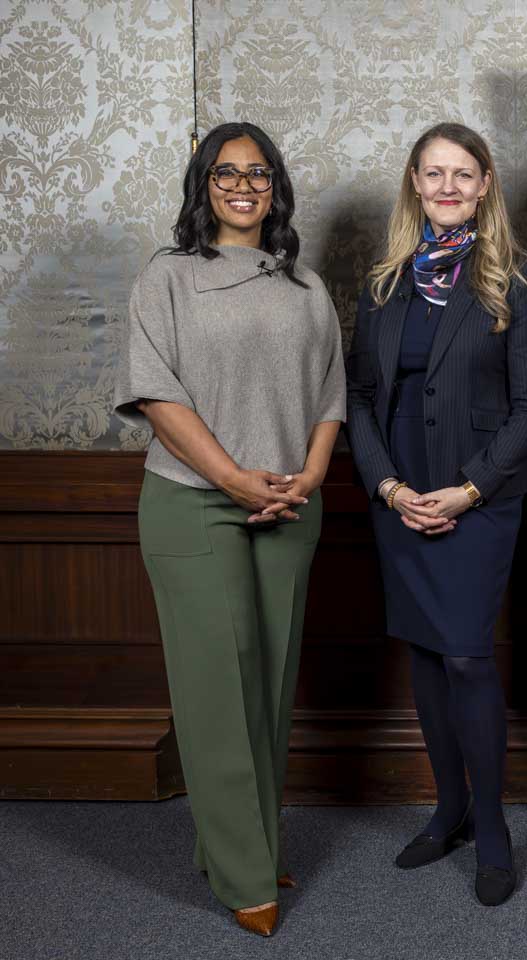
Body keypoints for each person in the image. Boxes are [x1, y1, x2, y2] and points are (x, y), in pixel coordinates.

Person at [113, 122, 345, 936]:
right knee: (218, 691)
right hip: (195, 500)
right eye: (224, 173)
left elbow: (328, 399)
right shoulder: (168, 279)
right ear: (202, 185)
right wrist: (234, 478)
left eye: (257, 172)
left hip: (290, 504)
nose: (242, 185)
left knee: (269, 691)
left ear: (276, 185)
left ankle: (246, 842)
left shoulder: (305, 286)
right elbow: (157, 398)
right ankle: (246, 874)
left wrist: (310, 477)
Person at [344, 121, 527, 907]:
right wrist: (388, 487)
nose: (447, 188)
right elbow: (359, 395)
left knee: (466, 654)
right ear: (414, 183)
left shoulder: (519, 281)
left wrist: (468, 489)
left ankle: (491, 824)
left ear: (486, 184)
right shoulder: (382, 282)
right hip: (398, 493)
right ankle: (450, 807)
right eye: (433, 174)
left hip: (480, 499)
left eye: (463, 174)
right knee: (427, 655)